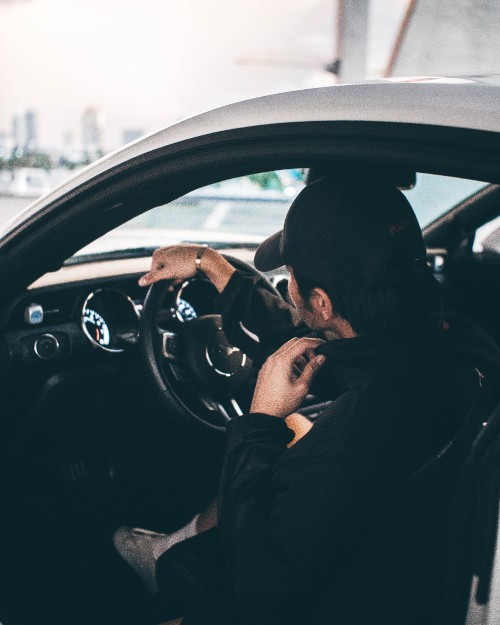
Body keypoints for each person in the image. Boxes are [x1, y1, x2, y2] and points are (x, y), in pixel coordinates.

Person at [115, 174, 500, 625]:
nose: (288, 285)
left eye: (291, 276)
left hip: (347, 599)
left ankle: (163, 559)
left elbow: (259, 582)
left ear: (320, 302)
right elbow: (309, 340)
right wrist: (211, 265)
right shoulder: (456, 343)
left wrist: (260, 422)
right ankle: (165, 550)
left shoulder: (356, 436)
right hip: (418, 560)